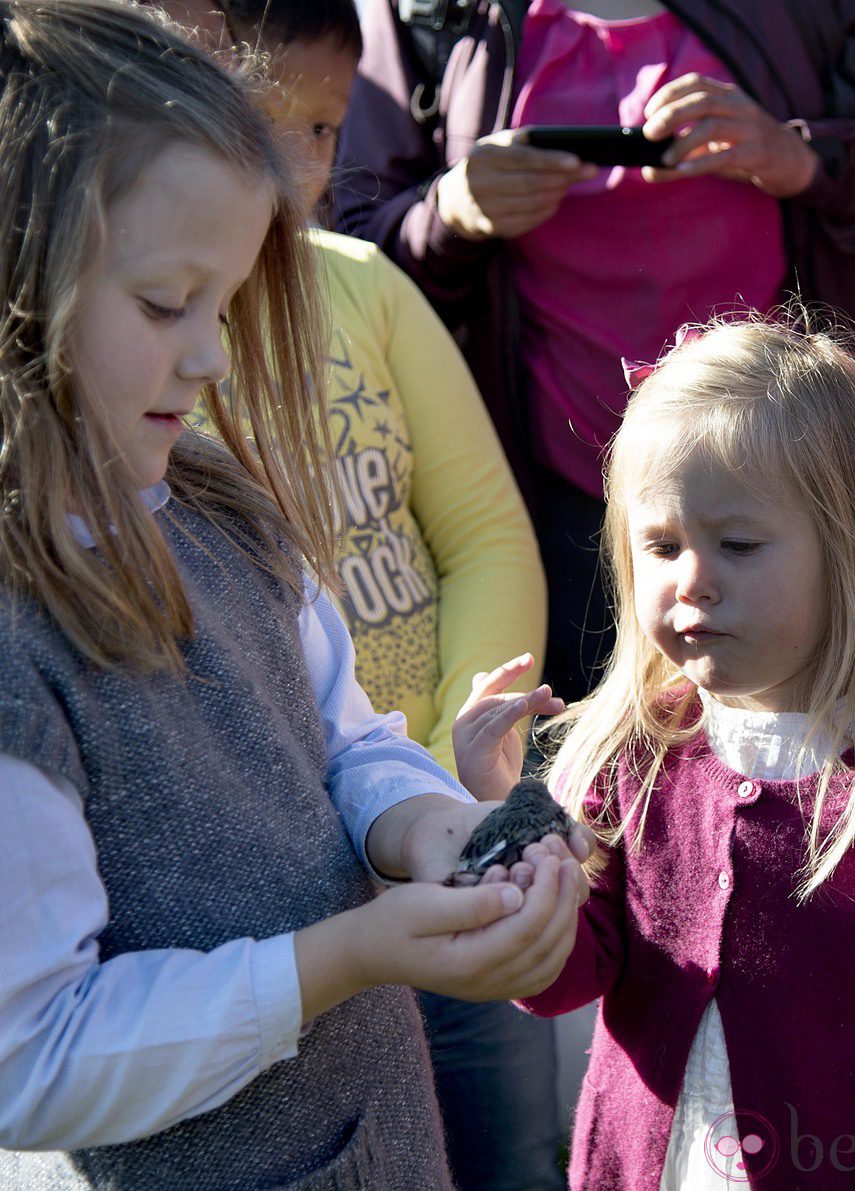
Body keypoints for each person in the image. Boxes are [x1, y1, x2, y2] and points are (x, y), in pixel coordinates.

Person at [0, 2, 590, 1186]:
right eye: (169, 305)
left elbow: (342, 741)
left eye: (221, 308)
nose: (215, 359)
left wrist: (441, 831)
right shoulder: (20, 644)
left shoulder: (219, 503)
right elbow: (33, 1059)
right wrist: (342, 957)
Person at [162, 0, 567, 1181]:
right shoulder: (148, 344)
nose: (308, 165)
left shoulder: (364, 285)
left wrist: (443, 770)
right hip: (286, 898)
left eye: (329, 129)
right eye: (271, 121)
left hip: (436, 812)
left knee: (511, 1148)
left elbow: (485, 534)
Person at [335, 0, 855, 701]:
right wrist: (450, 211)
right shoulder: (426, 13)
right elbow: (349, 264)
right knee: (608, 787)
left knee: (841, 780)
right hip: (561, 516)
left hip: (805, 493)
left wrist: (802, 158)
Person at [465, 317, 855, 1186]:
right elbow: (558, 976)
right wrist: (506, 811)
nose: (692, 578)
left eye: (737, 544)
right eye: (661, 546)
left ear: (846, 551)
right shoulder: (636, 755)